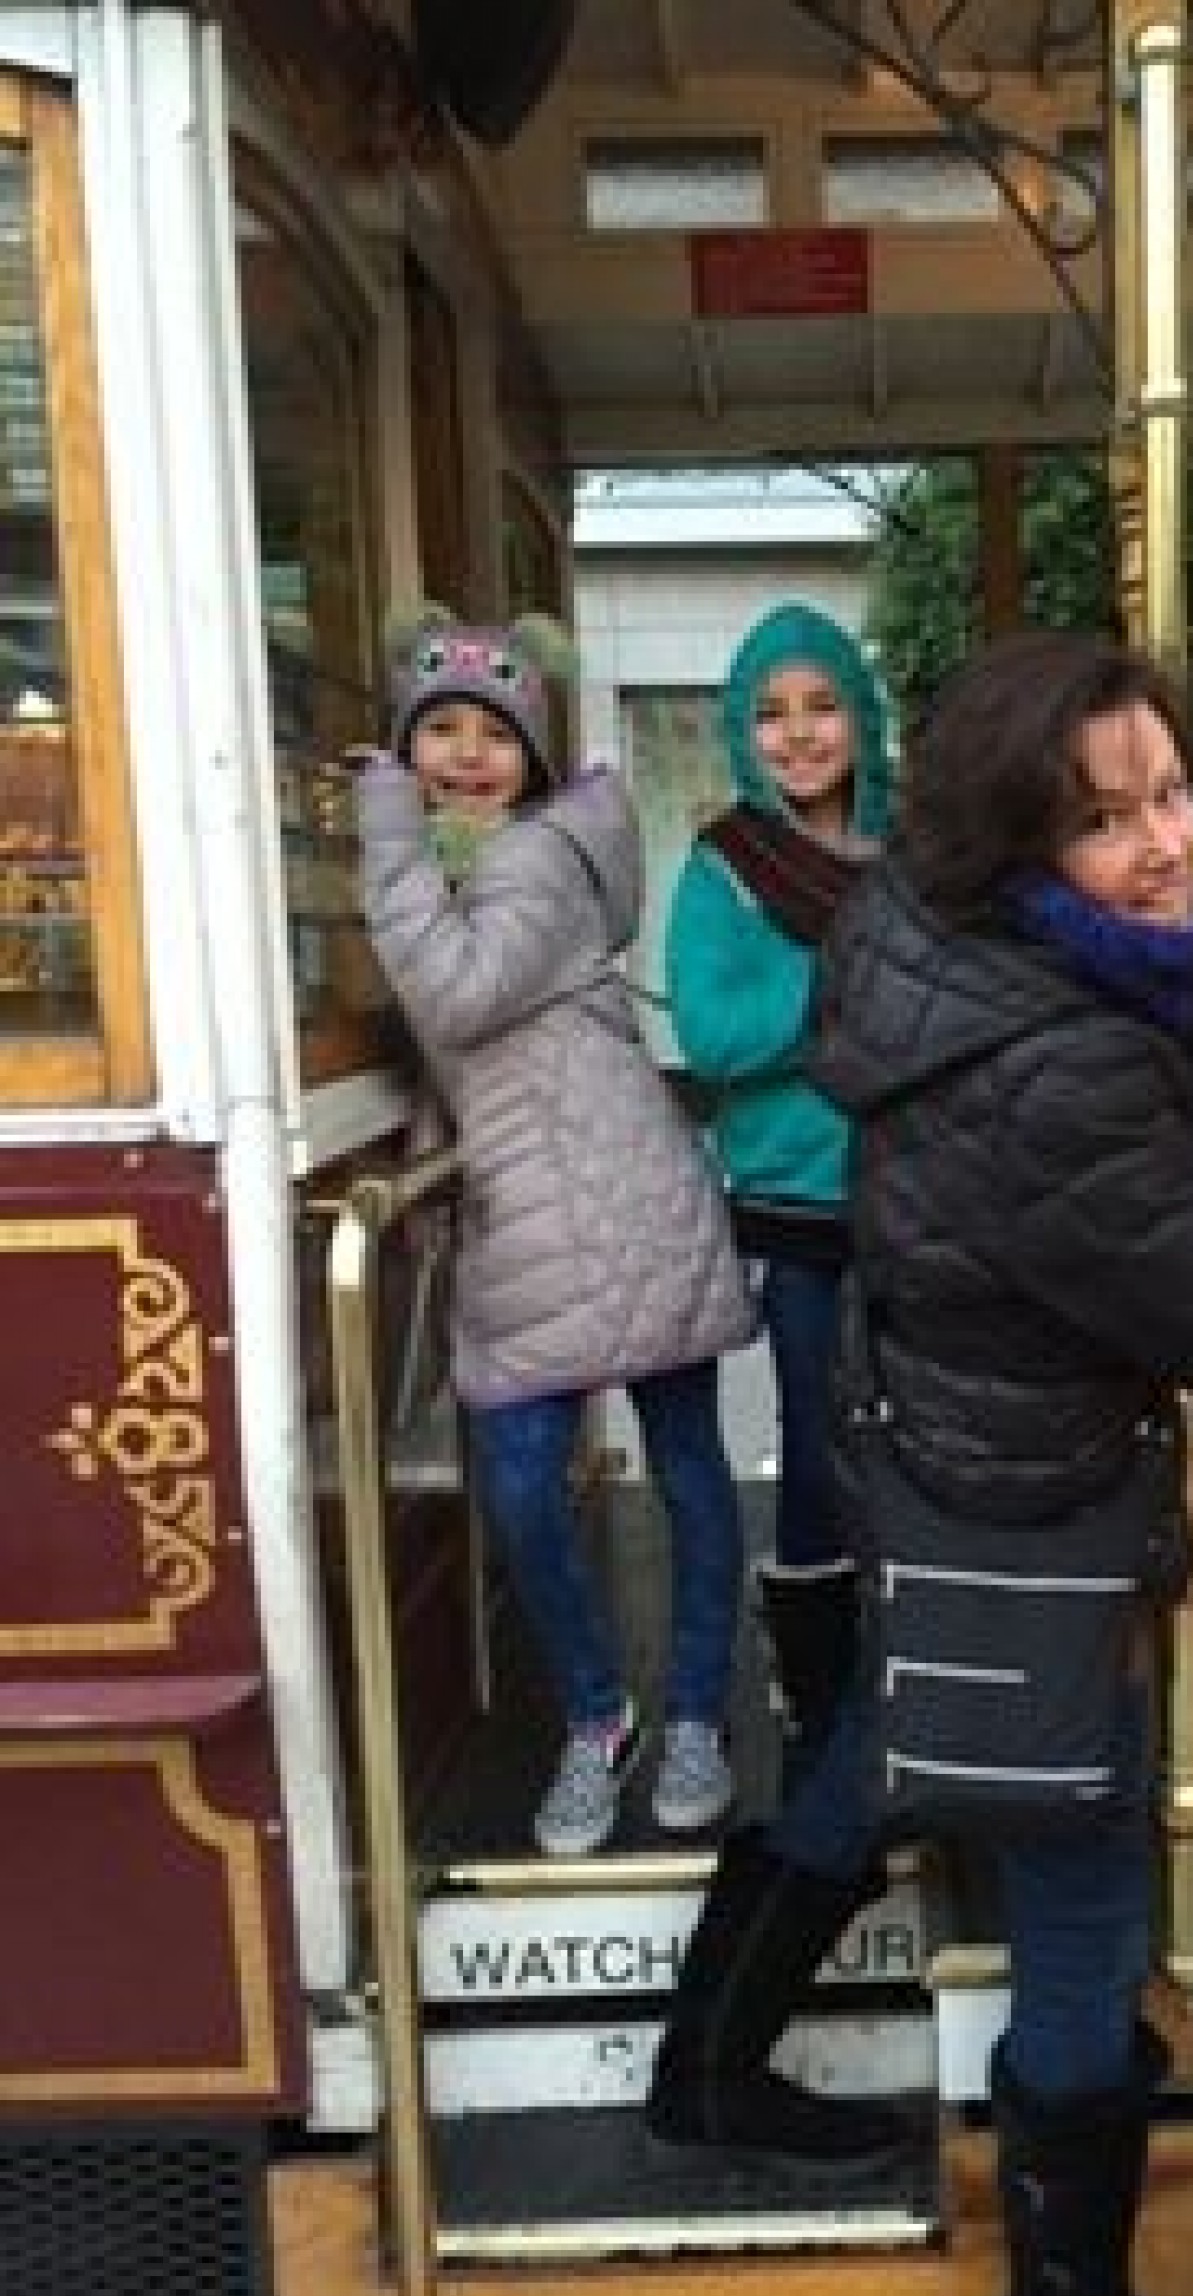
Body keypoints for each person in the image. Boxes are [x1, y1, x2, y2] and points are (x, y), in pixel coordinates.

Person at [646, 628, 1193, 2296]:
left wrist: (1182, 1019)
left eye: (1173, 793)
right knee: (1081, 1882)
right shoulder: (1070, 1059)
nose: (1168, 844)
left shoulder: (917, 941)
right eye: (1108, 820)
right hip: (1032, 1495)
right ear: (1018, 847)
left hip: (939, 1452)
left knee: (887, 1734)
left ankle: (708, 2063)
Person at [356, 608, 758, 1853]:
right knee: (537, 1486)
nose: (468, 754)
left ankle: (690, 1714)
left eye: (494, 734)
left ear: (532, 756)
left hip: (616, 1200)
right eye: (440, 731)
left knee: (672, 1468)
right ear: (408, 744)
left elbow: (457, 995)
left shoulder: (531, 860)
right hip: (534, 1207)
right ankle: (606, 1718)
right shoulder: (462, 864)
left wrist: (382, 830)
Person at [666, 602, 893, 1778]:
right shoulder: (724, 864)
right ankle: (815, 1693)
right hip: (799, 1217)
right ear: (740, 733)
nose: (798, 734)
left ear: (863, 716)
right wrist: (850, 982)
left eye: (821, 706)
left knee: (924, 1442)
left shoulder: (917, 852)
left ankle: (910, 1674)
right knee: (818, 1441)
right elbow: (712, 1037)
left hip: (921, 1203)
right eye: (769, 714)